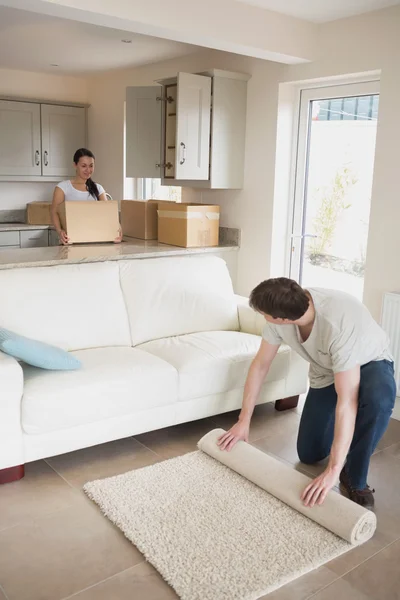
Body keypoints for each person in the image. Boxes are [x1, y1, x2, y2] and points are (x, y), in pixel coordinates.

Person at [218, 278, 396, 509]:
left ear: (282, 318)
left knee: (378, 401)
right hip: (328, 370)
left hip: (370, 361)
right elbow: (261, 365)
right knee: (309, 454)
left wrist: (332, 470)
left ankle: (353, 475)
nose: (263, 318)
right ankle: (346, 438)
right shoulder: (281, 317)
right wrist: (243, 421)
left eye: (264, 314)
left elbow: (346, 400)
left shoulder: (337, 323)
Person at [51, 148, 122, 245]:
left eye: (91, 166)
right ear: (75, 165)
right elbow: (54, 212)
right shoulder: (63, 187)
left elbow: (108, 214)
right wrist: (60, 231)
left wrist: (118, 229)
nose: (88, 170)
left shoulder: (98, 188)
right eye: (84, 166)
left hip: (95, 242)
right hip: (70, 242)